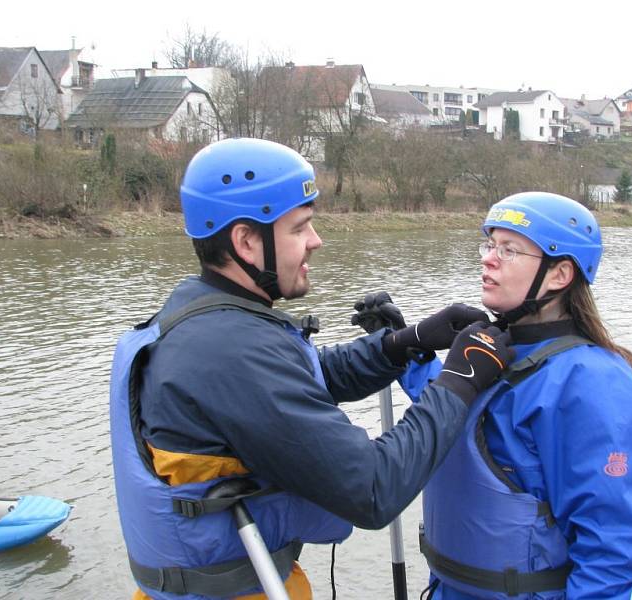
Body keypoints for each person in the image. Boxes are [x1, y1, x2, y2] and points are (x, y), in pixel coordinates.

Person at [108, 137, 513, 600]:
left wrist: (406, 341)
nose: (316, 241)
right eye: (300, 228)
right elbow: (374, 486)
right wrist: (458, 381)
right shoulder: (231, 352)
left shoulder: (203, 316)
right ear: (246, 240)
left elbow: (304, 378)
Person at [417, 192, 632, 600]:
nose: (488, 258)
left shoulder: (593, 383)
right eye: (489, 244)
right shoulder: (496, 349)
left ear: (560, 275)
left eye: (509, 250)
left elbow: (610, 553)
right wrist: (406, 346)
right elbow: (457, 412)